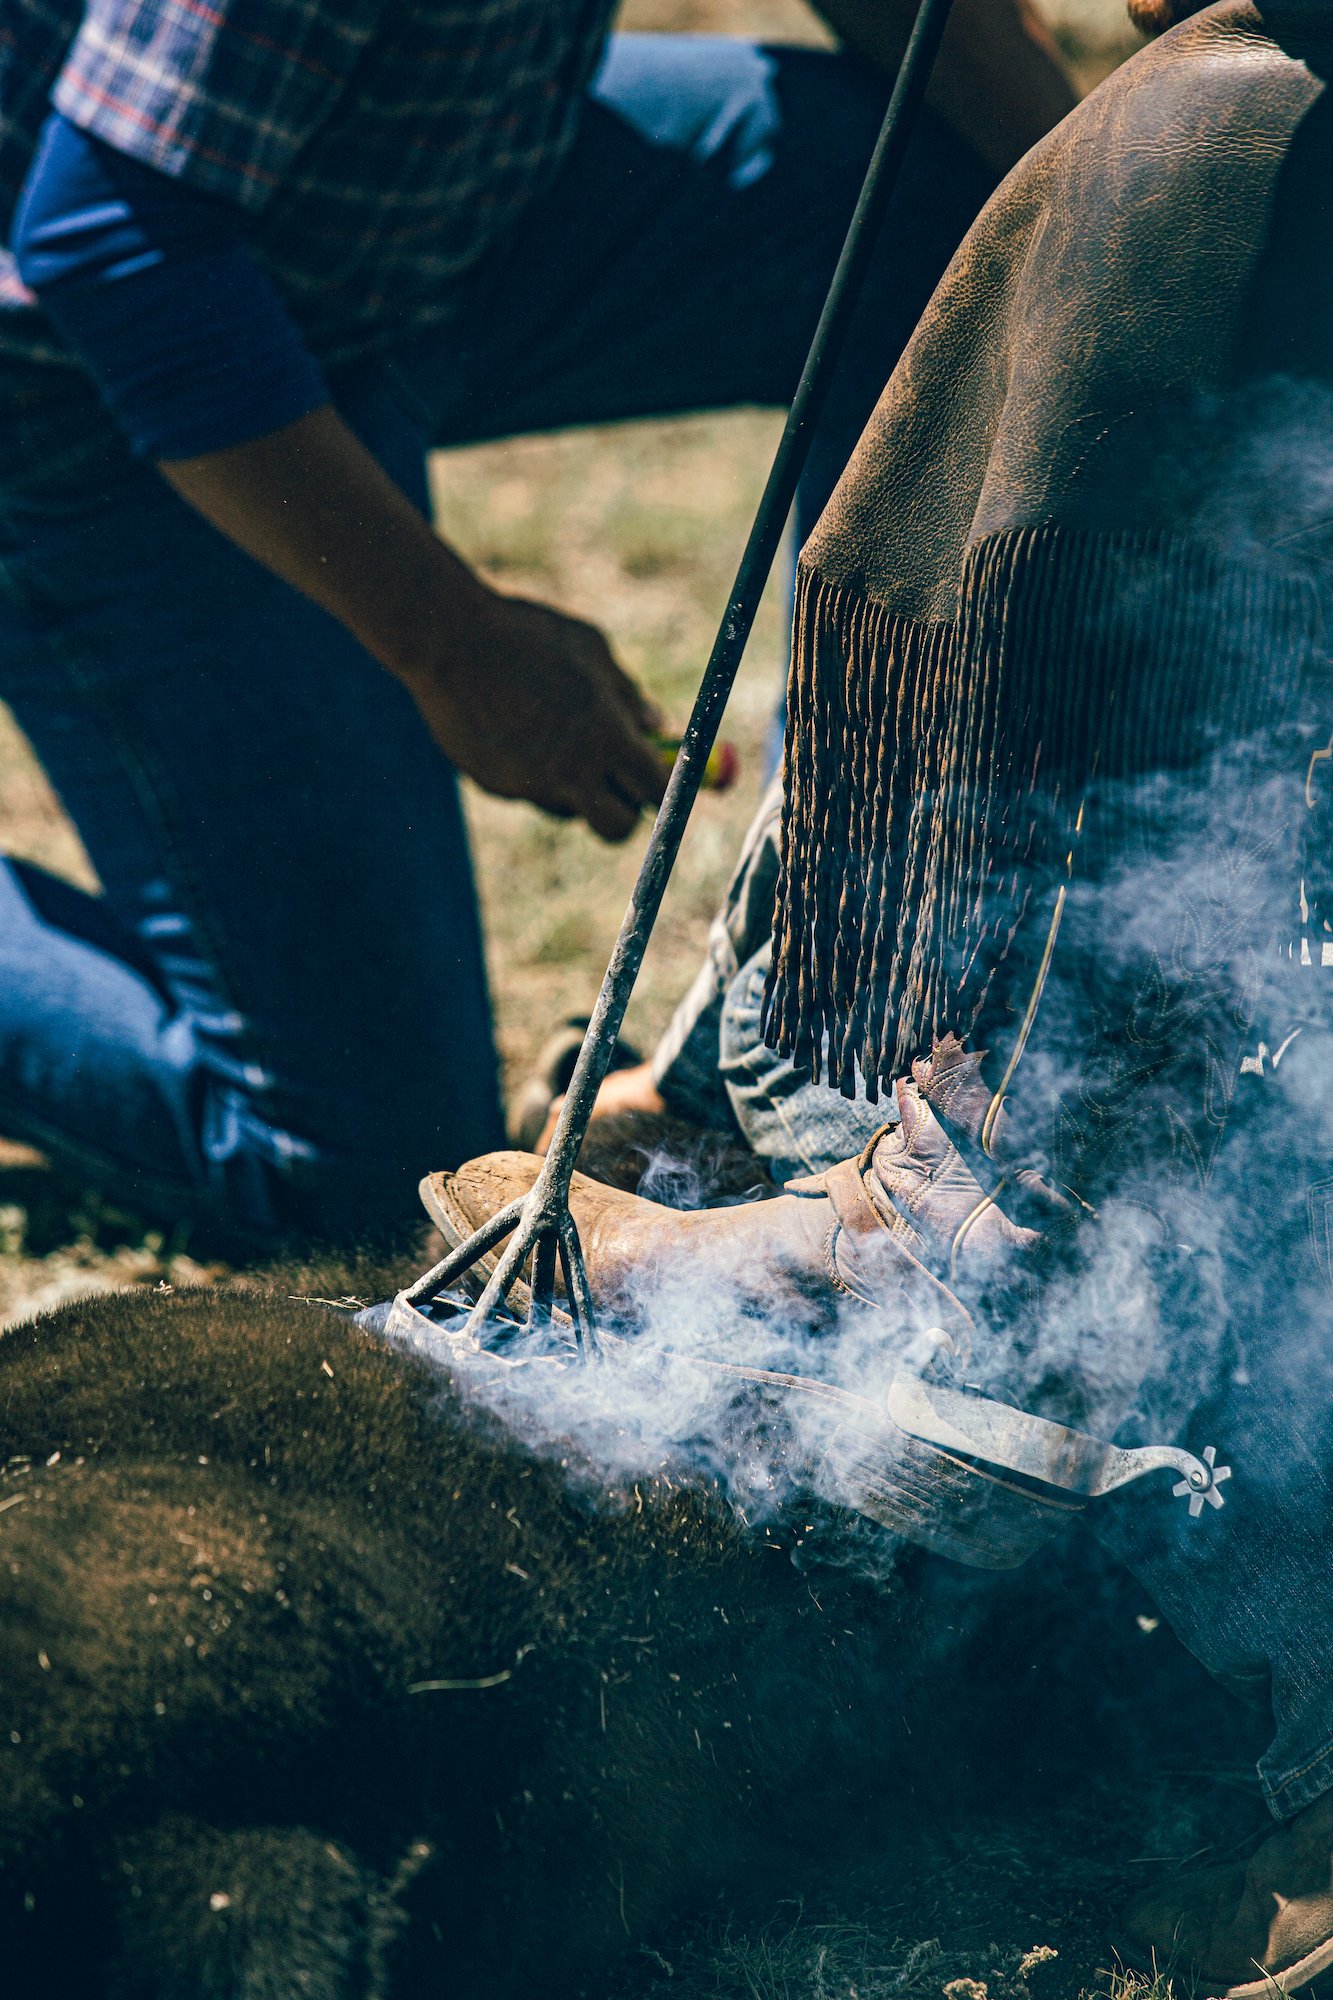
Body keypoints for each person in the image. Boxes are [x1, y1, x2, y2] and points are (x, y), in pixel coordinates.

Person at [428, 0, 1333, 1987]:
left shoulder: (1237, 158)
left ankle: (939, 1265)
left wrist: (822, 1242)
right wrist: (690, 1071)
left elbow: (1160, 860)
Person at [0, 0, 1072, 1248]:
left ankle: (819, 978)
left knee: (958, 206)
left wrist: (1142, 222)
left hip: (429, 204)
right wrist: (447, 642)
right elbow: (107, 237)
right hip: (105, 370)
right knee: (355, 1175)